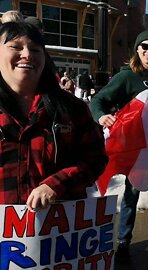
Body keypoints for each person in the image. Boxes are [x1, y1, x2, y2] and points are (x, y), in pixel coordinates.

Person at [89, 29, 148, 261]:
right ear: (137, 49)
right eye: (145, 47)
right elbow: (98, 100)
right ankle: (124, 240)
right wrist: (101, 116)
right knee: (133, 191)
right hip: (135, 148)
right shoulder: (126, 77)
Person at [0, 22, 107, 210]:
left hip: (56, 230)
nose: (27, 54)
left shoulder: (72, 108)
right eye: (15, 47)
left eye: (35, 49)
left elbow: (95, 158)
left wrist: (57, 184)